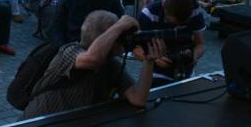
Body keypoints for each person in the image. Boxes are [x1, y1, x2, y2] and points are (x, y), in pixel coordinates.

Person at [22, 12, 162, 119]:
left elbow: (138, 99)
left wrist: (148, 62)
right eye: (119, 36)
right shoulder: (69, 50)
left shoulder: (110, 64)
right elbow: (92, 59)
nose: (124, 40)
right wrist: (119, 26)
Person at [136, 0, 206, 85]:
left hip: (186, 72)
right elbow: (136, 49)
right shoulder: (149, 14)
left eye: (181, 23)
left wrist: (193, 56)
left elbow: (200, 44)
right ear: (163, 5)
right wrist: (155, 59)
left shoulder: (194, 9)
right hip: (156, 72)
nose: (176, 26)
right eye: (171, 21)